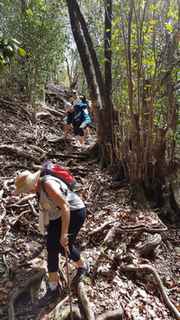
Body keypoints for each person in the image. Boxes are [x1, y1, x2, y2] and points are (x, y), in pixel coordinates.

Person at [15, 168, 89, 304]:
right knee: (51, 247)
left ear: (32, 183)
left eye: (26, 189)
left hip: (74, 212)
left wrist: (64, 234)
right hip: (58, 215)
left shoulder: (48, 184)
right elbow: (49, 208)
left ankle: (82, 266)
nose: (27, 192)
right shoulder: (38, 189)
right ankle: (53, 288)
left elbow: (65, 207)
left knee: (63, 246)